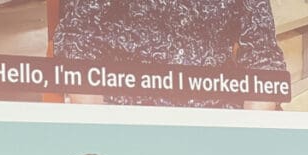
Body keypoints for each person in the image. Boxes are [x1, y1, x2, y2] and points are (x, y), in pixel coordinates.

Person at [54, 0, 286, 109]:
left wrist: (249, 141)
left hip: (216, 114)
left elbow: (262, 55)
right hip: (127, 114)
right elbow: (78, 44)